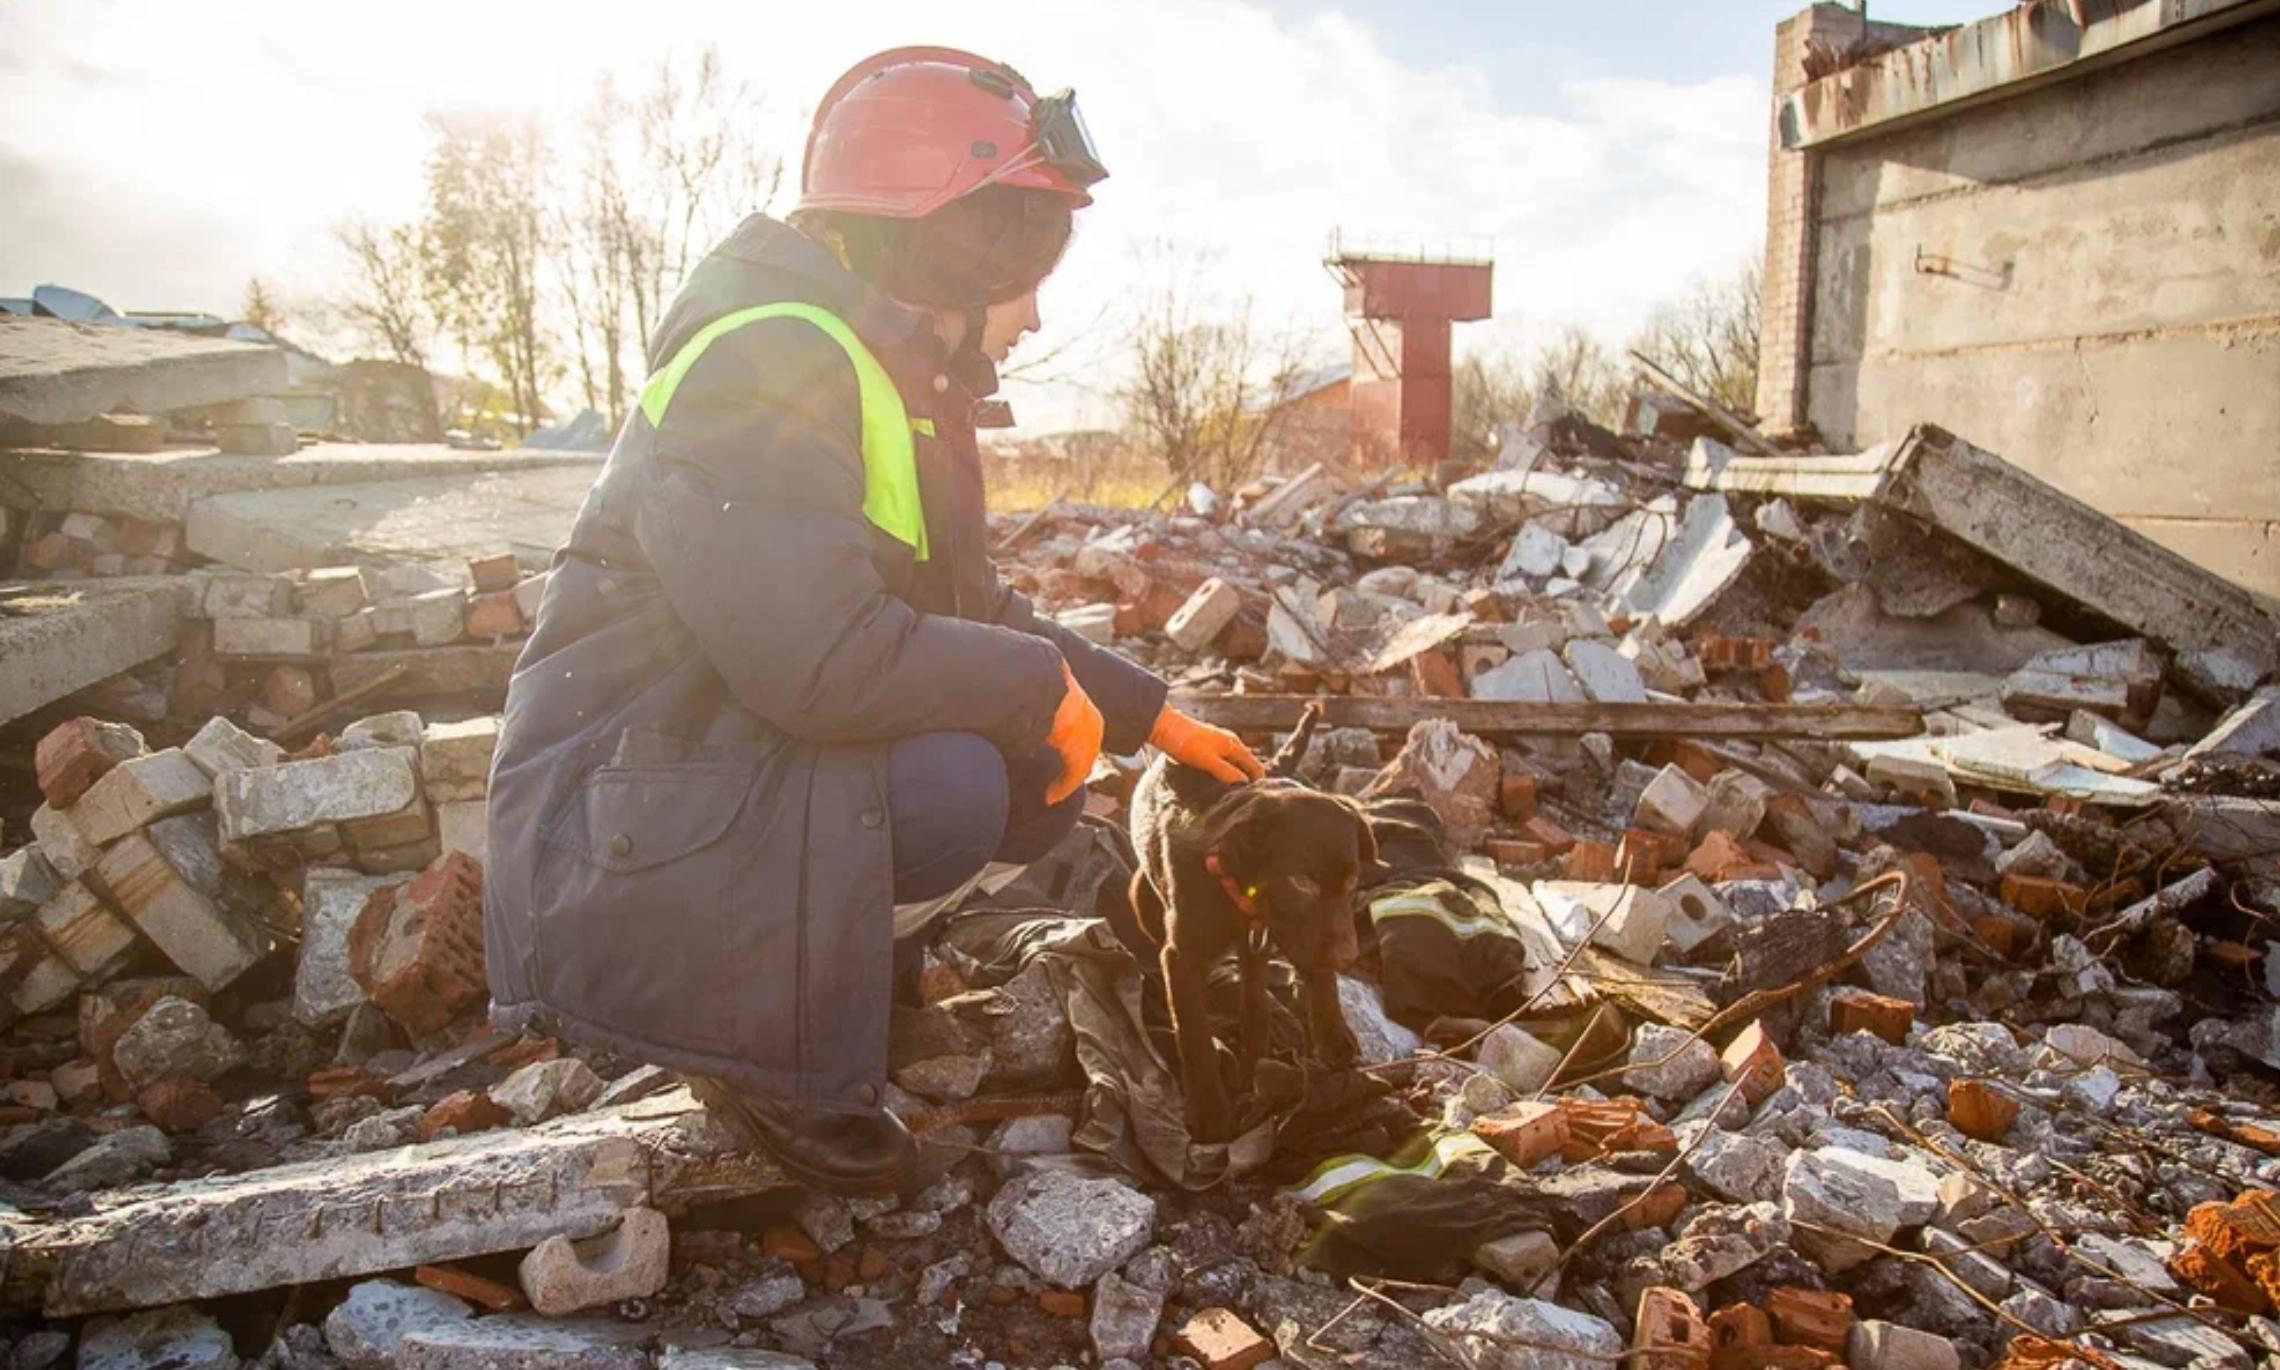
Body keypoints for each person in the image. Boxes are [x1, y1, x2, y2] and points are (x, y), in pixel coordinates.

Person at [482, 47, 1264, 1193]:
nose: (1038, 314)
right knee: (957, 780)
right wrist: (1035, 691)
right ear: (959, 253)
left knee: (1037, 762)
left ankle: (841, 982)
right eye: (1028, 272)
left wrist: (1153, 716)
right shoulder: (763, 362)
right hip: (609, 822)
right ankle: (766, 1057)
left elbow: (968, 608)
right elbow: (820, 662)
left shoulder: (874, 376)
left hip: (697, 773)